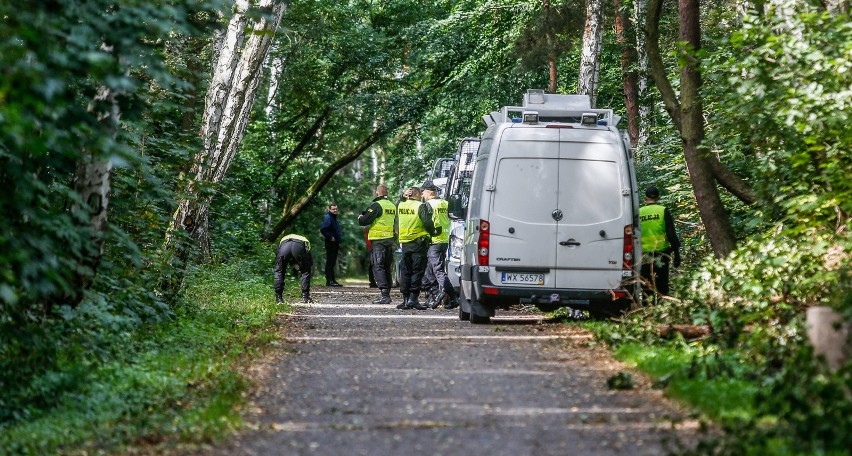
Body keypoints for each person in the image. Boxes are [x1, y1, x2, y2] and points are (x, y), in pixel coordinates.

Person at [396, 186, 440, 310]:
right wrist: (434, 232)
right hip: (418, 243)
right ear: (418, 194)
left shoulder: (401, 205)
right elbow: (427, 222)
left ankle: (405, 300)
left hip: (405, 243)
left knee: (405, 271)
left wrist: (403, 196)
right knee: (417, 271)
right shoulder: (421, 206)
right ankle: (413, 299)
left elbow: (399, 202)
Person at [639, 186, 681, 302]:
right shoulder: (663, 211)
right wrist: (677, 254)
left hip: (644, 254)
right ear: (658, 197)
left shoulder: (639, 212)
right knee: (662, 282)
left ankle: (648, 307)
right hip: (662, 252)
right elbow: (671, 234)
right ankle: (661, 307)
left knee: (646, 282)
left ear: (645, 198)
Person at [420, 181, 458, 309]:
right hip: (444, 241)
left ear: (429, 192)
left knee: (438, 270)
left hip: (434, 240)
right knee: (430, 271)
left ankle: (453, 297)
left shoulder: (428, 204)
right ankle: (432, 298)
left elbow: (425, 223)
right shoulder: (446, 203)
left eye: (423, 191)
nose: (422, 194)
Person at [358, 184, 397, 304]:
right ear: (387, 193)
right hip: (389, 240)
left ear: (377, 193)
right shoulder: (392, 205)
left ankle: (384, 295)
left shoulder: (376, 205)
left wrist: (360, 217)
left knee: (377, 266)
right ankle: (387, 293)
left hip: (378, 240)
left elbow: (365, 220)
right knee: (386, 267)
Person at [274, 233, 314, 303]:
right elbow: (309, 262)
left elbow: (279, 255)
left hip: (284, 246)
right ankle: (305, 297)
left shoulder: (283, 239)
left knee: (279, 271)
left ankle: (278, 298)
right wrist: (302, 267)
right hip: (299, 246)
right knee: (306, 271)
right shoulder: (305, 240)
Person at [320, 204, 342, 287]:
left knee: (332, 262)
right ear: (329, 209)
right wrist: (330, 236)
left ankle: (332, 280)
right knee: (330, 262)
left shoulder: (333, 218)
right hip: (330, 243)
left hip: (335, 243)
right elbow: (323, 229)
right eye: (333, 209)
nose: (335, 210)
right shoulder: (328, 217)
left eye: (336, 209)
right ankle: (329, 281)